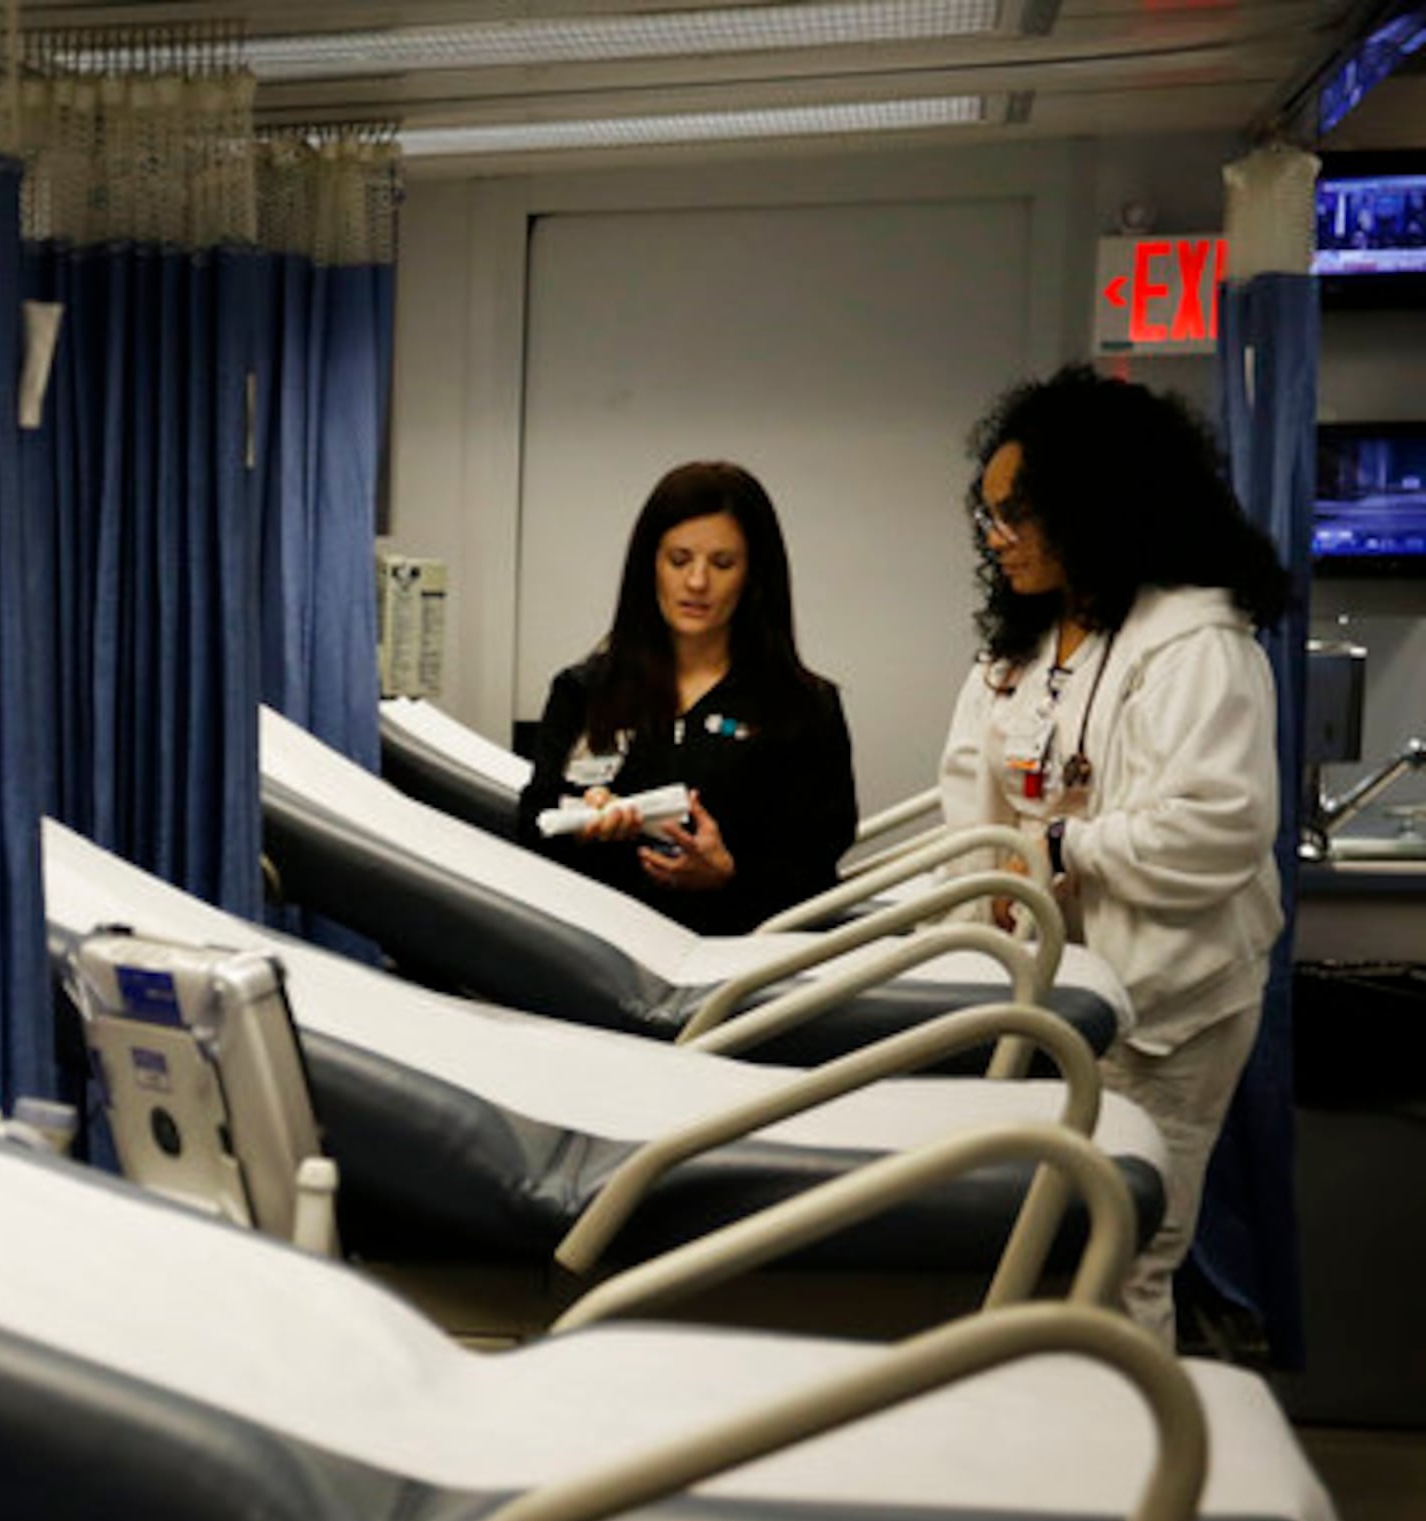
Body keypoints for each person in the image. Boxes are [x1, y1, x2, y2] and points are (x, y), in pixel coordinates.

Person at [937, 366, 1287, 1348]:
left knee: (1128, 1253)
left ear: (1092, 507)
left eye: (1017, 515)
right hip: (1058, 994)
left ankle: (1136, 1476)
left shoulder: (1194, 645)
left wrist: (1058, 846)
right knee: (1052, 1247)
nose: (996, 538)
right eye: (989, 515)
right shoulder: (1028, 644)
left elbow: (1213, 830)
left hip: (1170, 1004)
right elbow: (972, 798)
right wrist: (974, 914)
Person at [510, 460, 858, 937]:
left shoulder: (802, 708)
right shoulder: (584, 691)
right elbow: (533, 828)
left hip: (742, 969)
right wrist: (585, 826)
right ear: (649, 565)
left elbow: (816, 867)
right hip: (603, 955)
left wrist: (728, 874)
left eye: (722, 564)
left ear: (753, 576)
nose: (697, 582)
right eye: (679, 560)